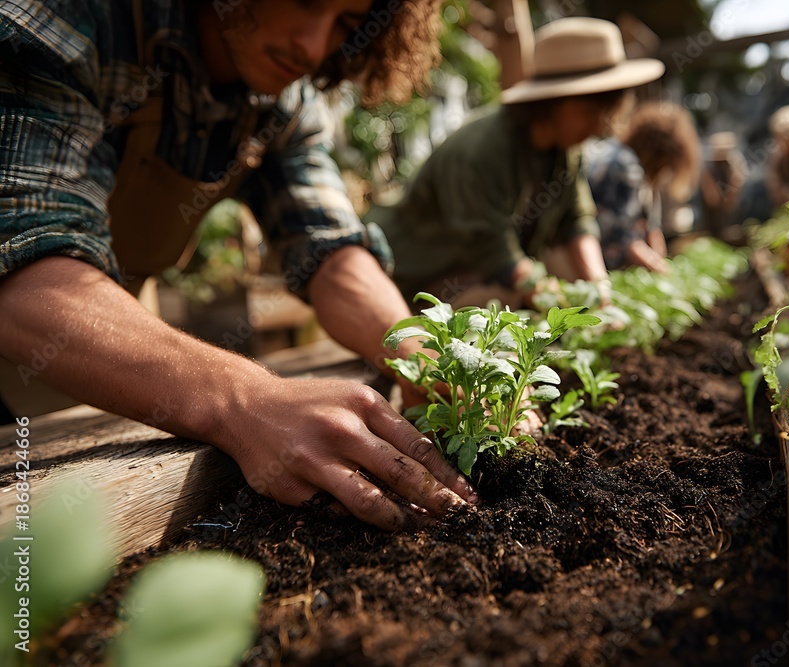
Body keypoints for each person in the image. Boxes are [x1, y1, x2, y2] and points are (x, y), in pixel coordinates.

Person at [0, 0, 479, 531]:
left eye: (345, 22)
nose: (314, 47)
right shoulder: (72, 15)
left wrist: (418, 357)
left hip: (97, 350)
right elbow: (22, 258)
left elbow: (327, 246)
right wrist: (244, 397)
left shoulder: (282, 97)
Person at [376, 17, 665, 308]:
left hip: (474, 271)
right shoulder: (480, 151)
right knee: (504, 306)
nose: (599, 128)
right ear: (554, 100)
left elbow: (577, 222)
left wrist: (601, 292)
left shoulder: (565, 151)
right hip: (410, 279)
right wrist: (558, 303)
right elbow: (494, 253)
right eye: (590, 113)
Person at [584, 101, 701, 272]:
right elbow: (620, 238)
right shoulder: (625, 167)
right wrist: (659, 268)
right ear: (660, 154)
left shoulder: (641, 173)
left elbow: (652, 227)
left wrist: (657, 256)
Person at [699, 131, 747, 243]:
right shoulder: (709, 164)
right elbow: (711, 197)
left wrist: (730, 197)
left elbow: (737, 182)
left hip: (732, 208)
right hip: (713, 210)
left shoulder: (735, 160)